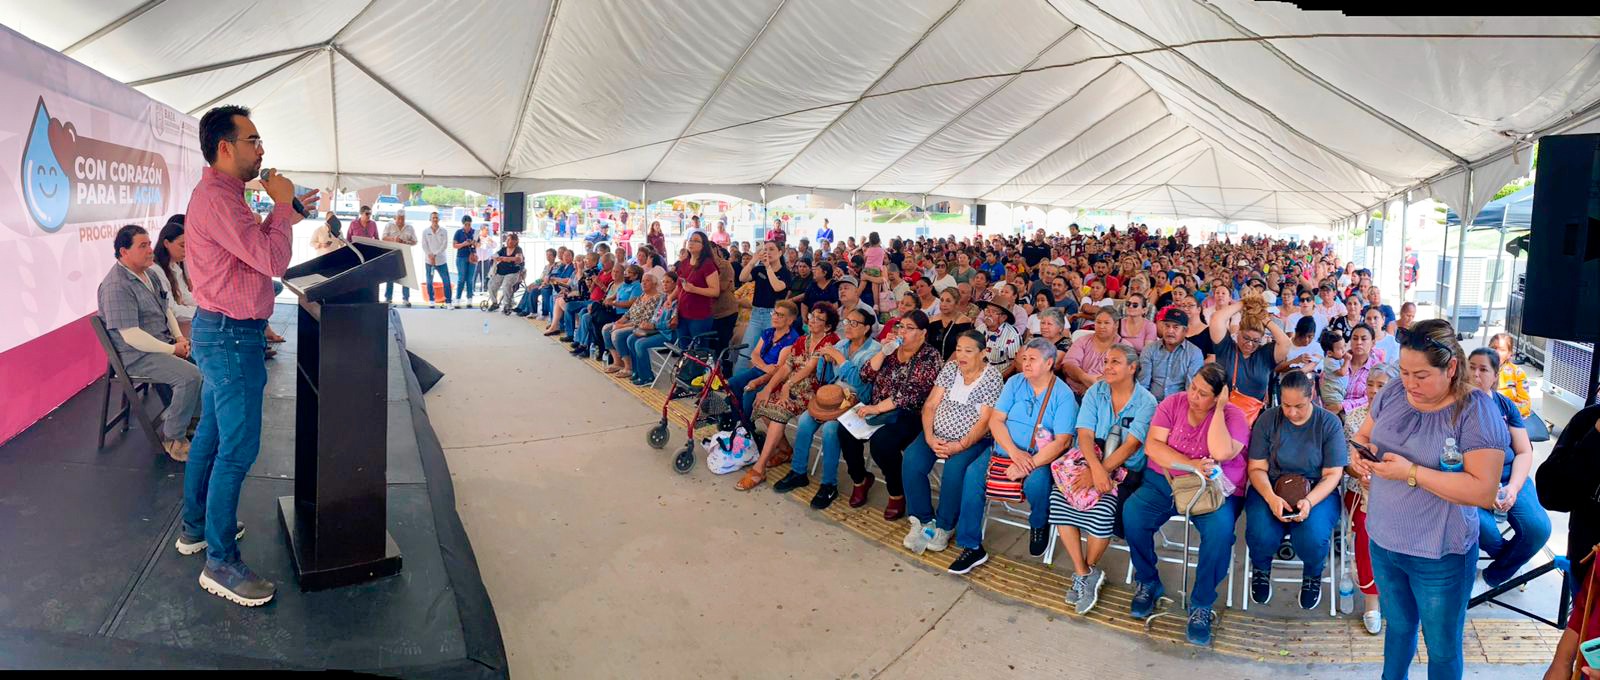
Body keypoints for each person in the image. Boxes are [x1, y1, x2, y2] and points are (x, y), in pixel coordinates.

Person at [184, 105, 320, 606]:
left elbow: (251, 247)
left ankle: (195, 528)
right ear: (225, 148)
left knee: (215, 437)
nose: (262, 150)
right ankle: (219, 563)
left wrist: (281, 209)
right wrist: (282, 207)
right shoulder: (219, 199)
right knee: (236, 449)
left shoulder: (226, 197)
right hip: (230, 336)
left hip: (223, 332)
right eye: (253, 140)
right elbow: (270, 259)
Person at [1348, 319, 1508, 680]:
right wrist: (1360, 455)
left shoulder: (1475, 411)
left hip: (1439, 552)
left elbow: (1483, 490)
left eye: (1421, 375)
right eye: (1404, 371)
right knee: (1399, 629)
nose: (1409, 383)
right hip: (1385, 540)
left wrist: (1411, 472)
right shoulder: (1392, 393)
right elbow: (1365, 435)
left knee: (1441, 646)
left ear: (1451, 367)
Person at [1124, 363, 1249, 646]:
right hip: (1166, 481)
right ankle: (1148, 580)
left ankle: (1201, 603)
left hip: (1212, 491)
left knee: (1219, 534)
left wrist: (1217, 411)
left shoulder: (1234, 416)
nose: (1193, 396)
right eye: (1192, 387)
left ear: (1219, 397)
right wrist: (1191, 465)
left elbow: (1219, 452)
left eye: (1203, 393)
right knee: (1133, 514)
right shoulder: (1173, 402)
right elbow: (1153, 446)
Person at [945, 338, 1079, 575]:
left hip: (1039, 456)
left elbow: (1062, 442)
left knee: (1038, 484)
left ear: (1049, 363)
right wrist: (1014, 452)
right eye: (1024, 358)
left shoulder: (1063, 395)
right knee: (973, 476)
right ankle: (971, 546)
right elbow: (996, 420)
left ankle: (1039, 522)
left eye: (1032, 360)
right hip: (1004, 450)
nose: (1026, 363)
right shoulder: (1015, 383)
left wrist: (1027, 464)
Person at [1051, 344, 1157, 614]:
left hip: (1124, 470)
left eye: (1115, 362)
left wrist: (1100, 471)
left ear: (1132, 368)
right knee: (1060, 501)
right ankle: (1084, 572)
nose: (1107, 366)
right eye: (1106, 361)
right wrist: (1095, 469)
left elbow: (1131, 445)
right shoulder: (1096, 391)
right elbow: (1085, 433)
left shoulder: (1146, 401)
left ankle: (1085, 572)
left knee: (1103, 512)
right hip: (1089, 459)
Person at [98, 224, 202, 462]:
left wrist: (179, 339)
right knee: (190, 376)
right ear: (124, 252)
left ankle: (187, 421)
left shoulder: (151, 274)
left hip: (161, 344)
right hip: (136, 356)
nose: (149, 250)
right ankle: (173, 439)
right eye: (142, 246)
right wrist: (171, 349)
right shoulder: (117, 286)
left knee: (205, 364)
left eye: (148, 244)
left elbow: (167, 312)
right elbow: (132, 336)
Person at [1244, 370, 1347, 610]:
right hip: (1271, 485)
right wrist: (1270, 498)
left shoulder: (1328, 423)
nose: (1291, 412)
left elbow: (1333, 474)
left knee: (1312, 536)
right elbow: (1257, 468)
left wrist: (1309, 502)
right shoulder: (1268, 419)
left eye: (1298, 406)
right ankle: (1261, 569)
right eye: (1286, 405)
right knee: (1260, 532)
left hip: (1317, 490)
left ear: (1311, 395)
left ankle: (1312, 574)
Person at [901, 331, 1005, 554]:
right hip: (936, 433)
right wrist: (929, 437)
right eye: (958, 349)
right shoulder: (950, 369)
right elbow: (930, 405)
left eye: (968, 351)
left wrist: (961, 445)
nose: (961, 355)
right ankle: (922, 520)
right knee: (912, 460)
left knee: (955, 469)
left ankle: (945, 525)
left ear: (983, 353)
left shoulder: (992, 377)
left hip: (971, 440)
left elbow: (986, 420)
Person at [834, 311, 943, 518]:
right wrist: (883, 351)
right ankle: (860, 479)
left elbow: (909, 395)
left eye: (909, 328)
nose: (902, 332)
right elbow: (865, 375)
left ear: (923, 333)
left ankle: (896, 492)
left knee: (882, 443)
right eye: (901, 326)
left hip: (910, 414)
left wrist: (875, 409)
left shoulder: (930, 356)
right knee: (845, 430)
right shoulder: (891, 350)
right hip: (878, 408)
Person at [772, 306, 882, 498]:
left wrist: (839, 359)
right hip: (832, 397)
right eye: (846, 322)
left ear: (866, 328)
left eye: (854, 323)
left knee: (831, 429)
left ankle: (829, 484)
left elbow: (859, 381)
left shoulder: (875, 350)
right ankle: (798, 472)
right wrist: (825, 360)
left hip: (857, 402)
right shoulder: (842, 345)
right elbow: (828, 377)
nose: (847, 326)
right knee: (806, 420)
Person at [1466, 348, 1551, 588]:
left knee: (1538, 529)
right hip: (1471, 482)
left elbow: (1524, 451)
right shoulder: (1455, 406)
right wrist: (1487, 489)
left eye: (1483, 369)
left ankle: (1495, 576)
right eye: (1471, 367)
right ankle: (1508, 565)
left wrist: (1513, 488)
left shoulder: (1505, 406)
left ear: (1495, 376)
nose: (1475, 374)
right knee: (1484, 530)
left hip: (1510, 476)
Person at [738, 304, 840, 490]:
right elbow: (786, 366)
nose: (812, 320)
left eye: (818, 319)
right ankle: (785, 450)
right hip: (793, 386)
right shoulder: (803, 340)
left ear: (828, 327)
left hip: (814, 391)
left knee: (779, 410)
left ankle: (759, 468)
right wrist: (768, 388)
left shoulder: (830, 342)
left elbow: (809, 367)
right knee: (762, 402)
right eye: (811, 316)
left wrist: (786, 386)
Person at [1343, 363, 1394, 634]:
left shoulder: (1404, 418)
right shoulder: (1353, 418)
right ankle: (1372, 601)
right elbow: (1343, 461)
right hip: (1359, 489)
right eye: (1371, 384)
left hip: (1398, 489)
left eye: (1381, 385)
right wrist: (1360, 470)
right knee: (1365, 527)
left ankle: (1400, 595)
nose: (1374, 390)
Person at [1209, 296, 1292, 408]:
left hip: (1256, 418)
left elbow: (1286, 343)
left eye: (1256, 341)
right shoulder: (1226, 348)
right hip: (1224, 416)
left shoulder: (1266, 355)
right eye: (1246, 338)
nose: (1249, 344)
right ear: (1238, 332)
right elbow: (1216, 318)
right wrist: (1245, 303)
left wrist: (1263, 318)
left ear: (1262, 339)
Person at [727, 300, 801, 420]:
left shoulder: (792, 339)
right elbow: (754, 354)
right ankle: (736, 419)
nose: (775, 317)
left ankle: (746, 425)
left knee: (749, 394)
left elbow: (778, 370)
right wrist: (764, 367)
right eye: (775, 313)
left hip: (773, 378)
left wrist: (758, 379)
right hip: (761, 370)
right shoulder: (769, 332)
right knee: (732, 383)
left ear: (790, 320)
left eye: (780, 315)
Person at [736, 242, 790, 374]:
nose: (768, 252)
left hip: (773, 317)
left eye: (772, 249)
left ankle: (761, 386)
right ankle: (735, 387)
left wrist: (768, 268)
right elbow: (742, 277)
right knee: (745, 353)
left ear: (780, 252)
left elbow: (777, 287)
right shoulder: (759, 269)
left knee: (767, 356)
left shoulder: (785, 272)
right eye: (765, 250)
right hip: (756, 315)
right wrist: (753, 260)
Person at [602, 268, 664, 376]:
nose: (643, 283)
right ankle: (618, 362)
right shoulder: (642, 296)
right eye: (643, 281)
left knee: (617, 333)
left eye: (647, 281)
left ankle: (628, 367)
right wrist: (619, 322)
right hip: (631, 322)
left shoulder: (656, 298)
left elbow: (644, 320)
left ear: (655, 283)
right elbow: (629, 313)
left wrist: (622, 326)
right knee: (606, 328)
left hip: (642, 327)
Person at [624, 272, 680, 386]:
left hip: (668, 333)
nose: (665, 284)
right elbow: (656, 315)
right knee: (631, 339)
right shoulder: (663, 297)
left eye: (668, 282)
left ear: (675, 284)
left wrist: (654, 326)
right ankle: (637, 372)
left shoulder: (677, 301)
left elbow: (672, 324)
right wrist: (648, 324)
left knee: (640, 344)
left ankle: (647, 377)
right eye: (663, 281)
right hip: (657, 330)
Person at [1139, 307, 1203, 401]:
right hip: (1151, 404)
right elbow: (1143, 385)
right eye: (1167, 326)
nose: (1170, 331)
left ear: (1185, 331)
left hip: (1179, 406)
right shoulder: (1150, 349)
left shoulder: (1194, 354)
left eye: (1176, 327)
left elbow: (1191, 390)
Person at [154, 218, 197, 338]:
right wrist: (201, 313)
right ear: (166, 243)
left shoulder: (174, 266)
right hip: (166, 332)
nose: (186, 251)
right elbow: (172, 310)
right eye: (182, 245)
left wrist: (207, 307)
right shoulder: (156, 270)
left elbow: (185, 295)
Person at [674, 231, 720, 341]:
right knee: (684, 349)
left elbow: (715, 291)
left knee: (698, 350)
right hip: (682, 313)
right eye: (690, 240)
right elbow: (679, 286)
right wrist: (670, 298)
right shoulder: (684, 262)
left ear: (703, 245)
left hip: (699, 315)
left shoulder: (708, 264)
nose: (691, 243)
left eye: (696, 241)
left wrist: (694, 289)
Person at [1062, 308, 1119, 395]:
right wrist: (1084, 378)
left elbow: (1121, 373)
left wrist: (1094, 384)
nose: (1101, 326)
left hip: (1106, 395)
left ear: (1116, 325)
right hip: (1075, 392)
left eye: (1106, 323)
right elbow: (1068, 365)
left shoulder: (1123, 346)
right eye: (1098, 322)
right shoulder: (1083, 341)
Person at [381, 213, 417, 306]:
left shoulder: (410, 227)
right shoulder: (389, 225)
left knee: (406, 277)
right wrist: (394, 239)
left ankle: (406, 298)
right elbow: (383, 237)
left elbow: (415, 241)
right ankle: (388, 298)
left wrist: (406, 242)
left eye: (402, 219)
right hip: (392, 254)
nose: (401, 221)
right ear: (395, 218)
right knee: (390, 276)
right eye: (399, 219)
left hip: (405, 254)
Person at [484, 232, 524, 315]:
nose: (508, 241)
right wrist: (495, 257)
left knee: (506, 285)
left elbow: (519, 259)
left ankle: (507, 305)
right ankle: (495, 303)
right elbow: (495, 255)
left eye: (510, 240)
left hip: (513, 272)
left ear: (515, 241)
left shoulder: (518, 250)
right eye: (507, 240)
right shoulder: (503, 249)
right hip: (500, 272)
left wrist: (506, 258)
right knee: (491, 284)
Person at [976, 300, 1021, 373]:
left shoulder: (1012, 334)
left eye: (993, 312)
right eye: (987, 310)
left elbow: (1014, 363)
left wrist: (1000, 378)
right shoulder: (980, 329)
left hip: (1000, 374)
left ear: (1003, 317)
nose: (989, 314)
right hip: (979, 372)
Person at [421, 211, 452, 308]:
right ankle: (431, 300)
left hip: (441, 261)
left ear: (439, 219)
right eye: (433, 217)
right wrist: (430, 255)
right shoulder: (425, 232)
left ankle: (448, 302)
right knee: (429, 281)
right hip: (429, 261)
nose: (435, 219)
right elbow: (424, 245)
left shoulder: (444, 231)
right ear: (430, 219)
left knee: (446, 281)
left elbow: (444, 245)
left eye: (436, 218)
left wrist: (435, 255)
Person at [452, 215, 478, 308]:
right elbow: (454, 245)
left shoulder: (475, 232)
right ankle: (458, 299)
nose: (468, 226)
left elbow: (478, 244)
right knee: (461, 279)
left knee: (470, 279)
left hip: (472, 257)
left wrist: (474, 243)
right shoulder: (458, 232)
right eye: (466, 224)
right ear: (463, 224)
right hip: (461, 257)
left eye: (469, 224)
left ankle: (469, 299)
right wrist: (464, 244)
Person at [475, 225, 497, 294]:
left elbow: (494, 246)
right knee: (474, 276)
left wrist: (491, 241)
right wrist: (480, 242)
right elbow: (474, 245)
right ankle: (472, 291)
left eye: (488, 230)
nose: (487, 231)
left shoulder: (488, 238)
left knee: (484, 277)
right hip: (477, 260)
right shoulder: (477, 237)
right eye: (486, 230)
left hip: (486, 260)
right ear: (482, 230)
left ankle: (483, 290)